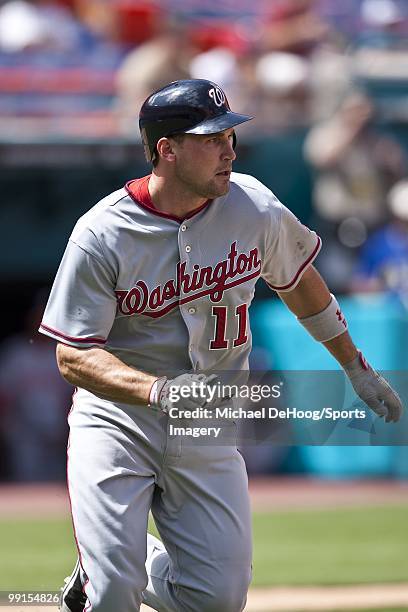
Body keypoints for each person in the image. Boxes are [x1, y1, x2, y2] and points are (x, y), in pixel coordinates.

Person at [39, 79, 403, 612]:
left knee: (217, 600)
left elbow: (299, 281)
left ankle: (113, 560)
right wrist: (161, 392)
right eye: (212, 138)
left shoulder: (253, 205)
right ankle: (106, 569)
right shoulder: (102, 232)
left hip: (207, 420)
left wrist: (355, 366)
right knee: (114, 593)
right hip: (118, 419)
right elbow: (73, 353)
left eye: (229, 135)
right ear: (167, 150)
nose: (229, 149)